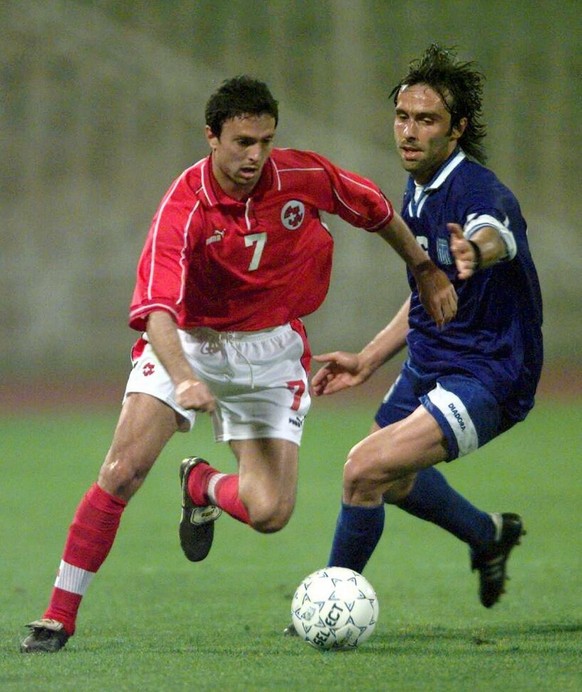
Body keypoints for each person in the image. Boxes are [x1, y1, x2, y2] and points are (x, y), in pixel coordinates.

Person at [20, 75, 457, 653]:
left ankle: (200, 483)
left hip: (271, 349)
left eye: (265, 141)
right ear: (212, 137)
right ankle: (57, 616)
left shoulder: (301, 175)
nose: (255, 156)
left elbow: (374, 209)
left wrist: (425, 268)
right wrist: (183, 377)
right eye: (243, 142)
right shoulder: (185, 205)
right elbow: (155, 311)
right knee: (123, 470)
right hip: (188, 343)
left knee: (270, 511)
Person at [285, 44, 543, 635]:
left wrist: (475, 249)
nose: (409, 130)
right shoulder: (417, 190)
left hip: (489, 370)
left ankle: (328, 608)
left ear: (457, 129)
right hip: (433, 355)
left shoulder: (476, 190)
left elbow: (494, 231)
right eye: (403, 116)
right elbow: (429, 293)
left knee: (361, 470)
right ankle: (489, 535)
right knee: (394, 479)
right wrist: (370, 358)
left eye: (426, 120)